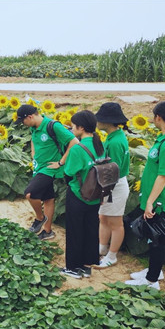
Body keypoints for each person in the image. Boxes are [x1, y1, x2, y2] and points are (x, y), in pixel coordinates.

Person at [125, 100, 165, 290]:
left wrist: (150, 202)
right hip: (156, 198)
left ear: (158, 117)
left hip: (160, 200)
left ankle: (152, 281)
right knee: (153, 235)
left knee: (157, 238)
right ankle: (155, 270)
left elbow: (164, 175)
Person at [16, 104, 79, 240]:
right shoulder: (34, 127)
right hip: (39, 167)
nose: (22, 124)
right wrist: (33, 153)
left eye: (23, 121)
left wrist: (61, 162)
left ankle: (40, 218)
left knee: (30, 194)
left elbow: (74, 142)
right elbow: (33, 139)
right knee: (48, 199)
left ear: (30, 117)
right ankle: (47, 231)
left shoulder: (53, 126)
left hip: (49, 169)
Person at [59, 110, 104, 278]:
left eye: (73, 126)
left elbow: (69, 172)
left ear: (81, 128)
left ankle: (73, 267)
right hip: (96, 195)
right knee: (91, 230)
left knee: (74, 231)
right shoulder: (100, 145)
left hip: (79, 195)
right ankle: (87, 265)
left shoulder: (78, 149)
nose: (71, 129)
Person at [94, 103, 130, 268]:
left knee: (115, 223)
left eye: (99, 119)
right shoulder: (115, 136)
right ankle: (102, 248)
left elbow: (112, 171)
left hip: (113, 185)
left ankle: (112, 255)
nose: (97, 122)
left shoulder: (115, 142)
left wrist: (103, 192)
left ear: (108, 121)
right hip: (111, 184)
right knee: (103, 217)